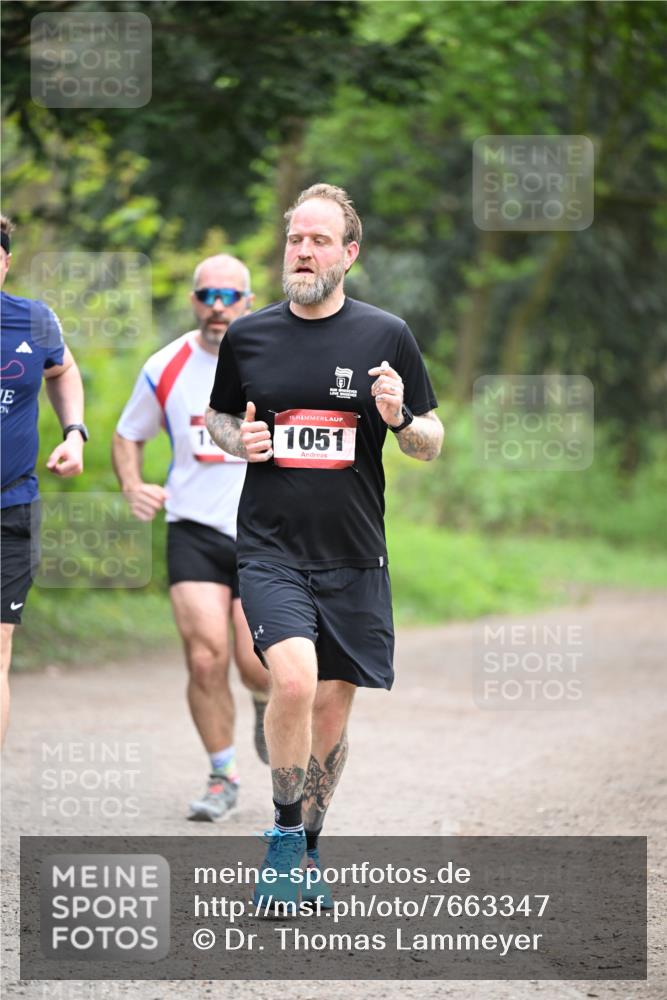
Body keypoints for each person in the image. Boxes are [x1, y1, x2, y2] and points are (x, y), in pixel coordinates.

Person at [206, 184, 444, 905]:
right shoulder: (249, 336)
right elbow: (219, 418)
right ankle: (282, 841)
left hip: (354, 555)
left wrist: (400, 418)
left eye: (318, 240)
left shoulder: (386, 336)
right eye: (294, 240)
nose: (302, 252)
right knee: (293, 683)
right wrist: (240, 440)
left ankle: (308, 847)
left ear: (349, 253)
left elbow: (430, 443)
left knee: (333, 710)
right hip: (270, 549)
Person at [112, 254, 270, 822]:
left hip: (264, 534)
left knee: (256, 664)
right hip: (194, 528)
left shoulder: (274, 357)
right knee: (205, 659)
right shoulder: (165, 365)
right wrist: (133, 485)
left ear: (249, 301)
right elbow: (127, 435)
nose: (218, 307)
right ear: (193, 300)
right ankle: (222, 775)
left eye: (230, 296)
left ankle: (263, 699)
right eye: (208, 295)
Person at [1, 213, 86, 745]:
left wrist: (73, 433)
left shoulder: (33, 320)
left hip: (11, 508)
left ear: (6, 262)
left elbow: (63, 369)